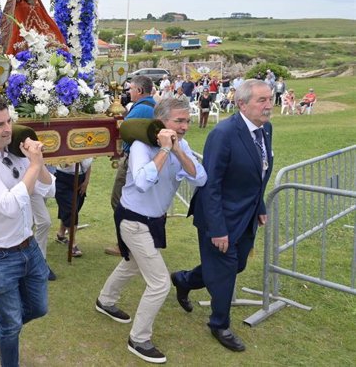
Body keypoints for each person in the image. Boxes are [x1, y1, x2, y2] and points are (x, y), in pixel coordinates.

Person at [95, 99, 207, 364]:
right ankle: (139, 339)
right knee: (159, 283)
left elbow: (200, 177)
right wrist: (164, 151)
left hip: (154, 219)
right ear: (161, 122)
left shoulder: (183, 145)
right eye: (179, 121)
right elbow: (143, 182)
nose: (185, 127)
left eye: (187, 121)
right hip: (133, 219)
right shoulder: (140, 147)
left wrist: (178, 151)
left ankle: (105, 300)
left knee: (132, 264)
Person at [171, 79, 274, 352]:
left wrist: (260, 205)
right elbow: (211, 184)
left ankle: (184, 280)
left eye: (270, 99)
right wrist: (217, 229)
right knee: (226, 271)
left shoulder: (265, 129)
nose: (268, 105)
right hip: (219, 216)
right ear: (241, 104)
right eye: (261, 100)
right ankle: (219, 324)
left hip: (247, 214)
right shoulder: (223, 133)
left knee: (235, 265)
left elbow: (259, 172)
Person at [0, 94, 55, 366]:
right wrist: (35, 166)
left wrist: (36, 162)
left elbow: (47, 189)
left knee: (39, 308)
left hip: (28, 245)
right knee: (13, 324)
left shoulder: (16, 150)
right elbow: (9, 206)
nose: (8, 129)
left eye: (9, 121)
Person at [106, 76, 156, 256]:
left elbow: (123, 129)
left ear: (140, 91)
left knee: (119, 200)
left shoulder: (141, 108)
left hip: (132, 160)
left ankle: (125, 245)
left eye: (131, 89)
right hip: (145, 160)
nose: (128, 92)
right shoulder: (153, 107)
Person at [54, 158, 92, 258]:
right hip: (64, 179)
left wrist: (86, 181)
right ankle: (73, 244)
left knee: (74, 208)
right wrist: (74, 156)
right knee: (70, 210)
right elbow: (63, 164)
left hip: (81, 178)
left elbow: (88, 165)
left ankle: (61, 234)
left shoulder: (88, 144)